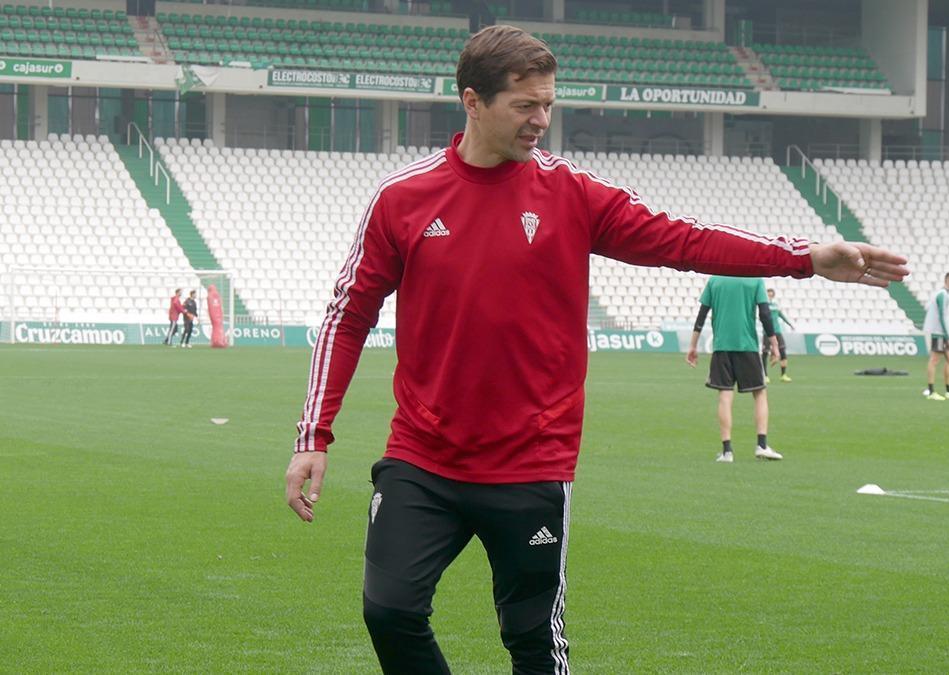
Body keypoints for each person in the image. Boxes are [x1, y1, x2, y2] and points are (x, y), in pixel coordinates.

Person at [283, 25, 908, 675]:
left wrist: (804, 257)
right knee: (390, 611)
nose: (541, 120)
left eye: (549, 104)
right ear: (472, 101)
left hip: (530, 462)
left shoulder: (572, 195)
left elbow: (684, 240)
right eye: (525, 106)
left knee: (531, 641)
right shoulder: (402, 198)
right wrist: (313, 434)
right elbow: (347, 316)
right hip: (424, 455)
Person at [687, 276, 782, 463]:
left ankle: (727, 451)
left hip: (722, 346)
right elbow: (765, 314)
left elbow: (702, 314)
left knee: (724, 395)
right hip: (747, 345)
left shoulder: (715, 280)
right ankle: (761, 445)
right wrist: (775, 344)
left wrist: (693, 345)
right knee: (760, 394)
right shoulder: (754, 279)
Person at [923, 272, 949, 400]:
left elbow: (933, 310)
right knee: (934, 360)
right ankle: (931, 391)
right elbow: (942, 316)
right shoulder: (942, 295)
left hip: (941, 332)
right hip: (939, 333)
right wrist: (947, 336)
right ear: (948, 280)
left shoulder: (941, 295)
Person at [761, 288, 795, 383]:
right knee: (764, 353)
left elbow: (781, 316)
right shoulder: (763, 305)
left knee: (783, 351)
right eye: (768, 295)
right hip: (767, 332)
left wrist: (790, 324)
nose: (769, 296)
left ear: (773, 295)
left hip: (777, 331)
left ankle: (783, 375)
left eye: (771, 295)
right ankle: (765, 376)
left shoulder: (776, 305)